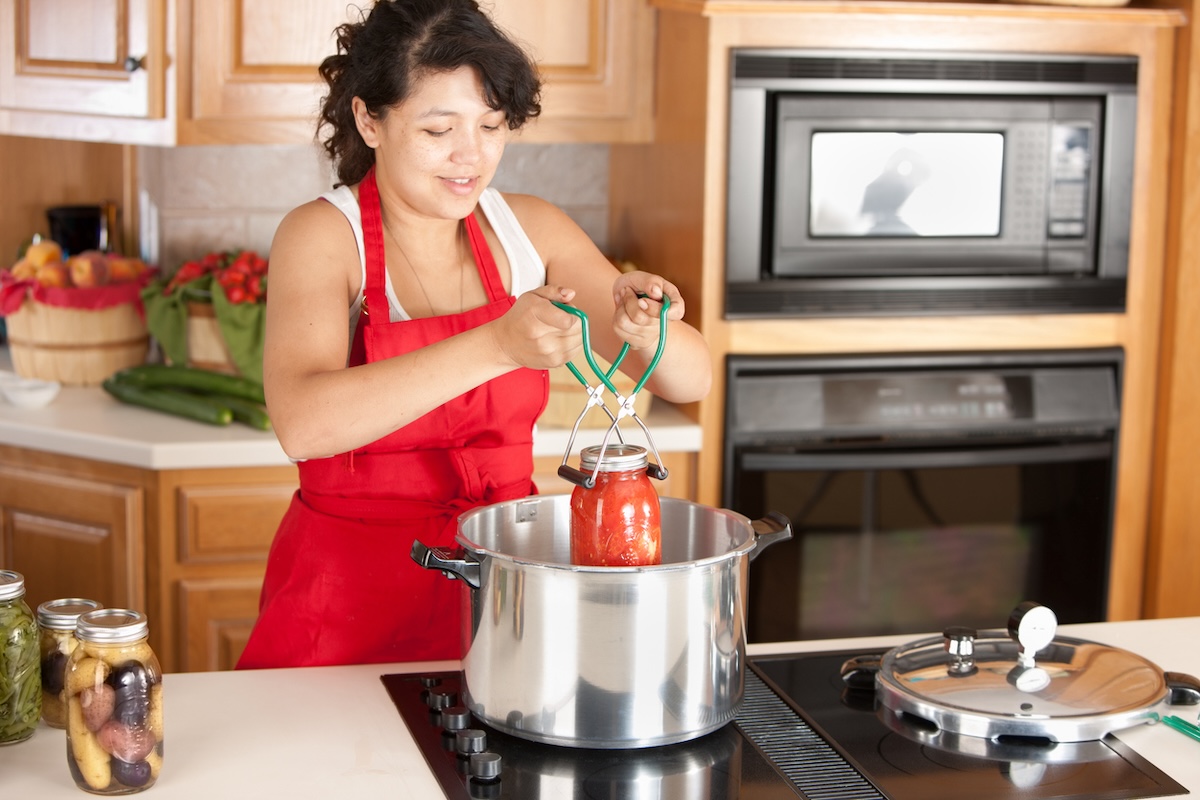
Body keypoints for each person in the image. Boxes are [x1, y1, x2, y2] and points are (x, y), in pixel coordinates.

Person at [236, 0, 711, 669]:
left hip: (501, 589)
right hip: (345, 605)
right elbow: (304, 424)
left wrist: (645, 325)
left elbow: (692, 379)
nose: (472, 155)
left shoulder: (530, 230)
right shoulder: (322, 236)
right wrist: (496, 345)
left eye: (491, 125)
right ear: (370, 120)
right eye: (438, 130)